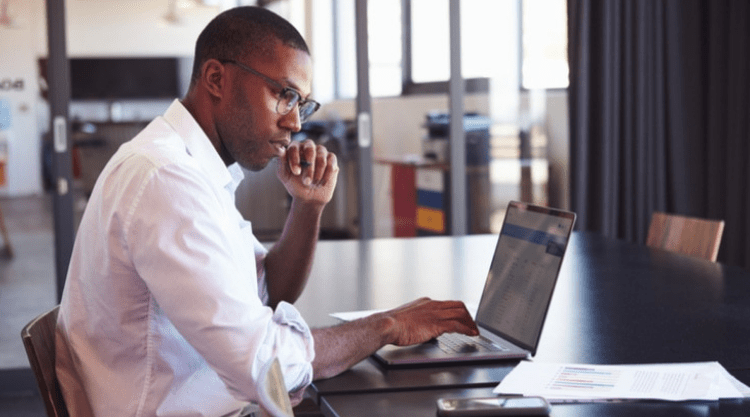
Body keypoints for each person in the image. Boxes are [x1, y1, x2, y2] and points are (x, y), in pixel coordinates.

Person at [55, 6, 478, 417]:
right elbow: (264, 368)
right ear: (216, 78)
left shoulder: (193, 169)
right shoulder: (167, 178)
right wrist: (386, 326)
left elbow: (268, 291)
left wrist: (307, 207)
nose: (295, 122)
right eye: (284, 95)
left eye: (303, 104)